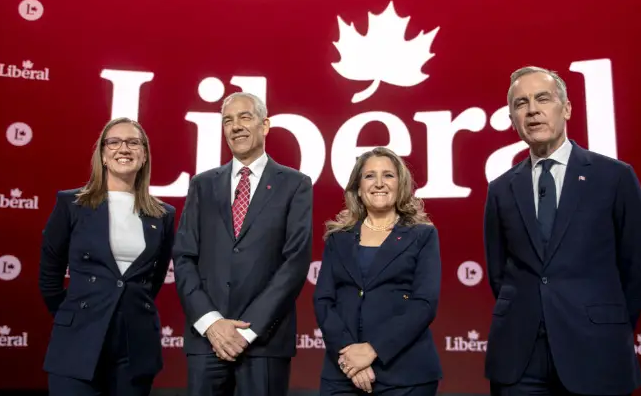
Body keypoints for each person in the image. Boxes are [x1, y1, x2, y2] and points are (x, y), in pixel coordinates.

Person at [483, 66, 641, 396]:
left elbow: (638, 267)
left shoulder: (614, 177)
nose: (532, 110)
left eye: (542, 99)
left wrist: (606, 325)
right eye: (521, 104)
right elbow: (498, 272)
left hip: (597, 350)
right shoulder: (501, 189)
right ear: (512, 118)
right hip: (520, 358)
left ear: (567, 108)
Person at [173, 91, 313, 395]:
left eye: (244, 117)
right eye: (227, 121)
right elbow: (183, 258)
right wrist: (212, 323)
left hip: (264, 341)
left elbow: (296, 262)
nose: (235, 126)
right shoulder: (202, 185)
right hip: (206, 339)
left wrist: (247, 331)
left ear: (265, 125)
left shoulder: (295, 185)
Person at [38, 117, 176, 395]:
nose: (123, 148)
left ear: (144, 154)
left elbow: (154, 280)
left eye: (133, 142)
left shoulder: (163, 215)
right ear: (102, 154)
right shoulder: (71, 204)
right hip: (77, 341)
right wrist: (74, 312)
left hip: (135, 346)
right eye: (114, 142)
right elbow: (49, 275)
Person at [314, 147, 442, 395]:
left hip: (405, 375)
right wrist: (351, 358)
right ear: (358, 188)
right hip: (343, 370)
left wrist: (373, 350)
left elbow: (424, 304)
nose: (379, 183)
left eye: (389, 175)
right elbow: (323, 300)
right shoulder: (337, 238)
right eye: (370, 176)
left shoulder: (422, 235)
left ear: (401, 184)